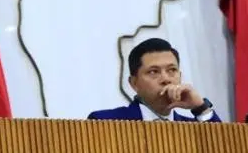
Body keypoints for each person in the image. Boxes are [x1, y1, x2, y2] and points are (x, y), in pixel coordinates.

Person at [87, 38, 221, 122]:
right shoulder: (105, 121)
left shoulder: (193, 127)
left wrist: (200, 108)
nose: (166, 79)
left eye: (172, 70)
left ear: (180, 76)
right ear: (134, 83)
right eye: (154, 72)